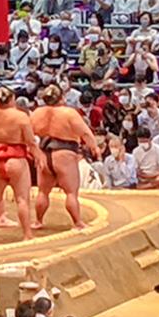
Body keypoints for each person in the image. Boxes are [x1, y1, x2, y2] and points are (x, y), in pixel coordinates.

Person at [31, 84, 98, 229]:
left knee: (43, 191)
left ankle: (38, 221)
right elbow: (85, 133)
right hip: (64, 154)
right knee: (71, 192)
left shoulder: (36, 113)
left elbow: (29, 135)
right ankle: (78, 222)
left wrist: (35, 152)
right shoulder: (69, 113)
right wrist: (94, 147)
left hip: (44, 153)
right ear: (62, 98)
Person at [0, 87, 37, 242]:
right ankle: (27, 234)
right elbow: (31, 141)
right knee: (22, 199)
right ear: (12, 99)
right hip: (16, 160)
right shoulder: (21, 117)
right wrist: (38, 157)